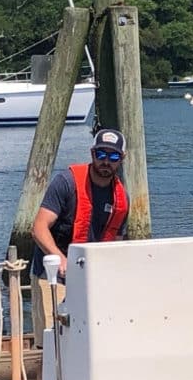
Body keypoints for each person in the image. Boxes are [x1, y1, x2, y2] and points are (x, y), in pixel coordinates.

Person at [29, 128, 130, 339]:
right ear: (93, 154)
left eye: (113, 156)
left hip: (90, 279)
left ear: (122, 159)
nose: (106, 162)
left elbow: (116, 246)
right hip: (53, 277)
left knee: (88, 339)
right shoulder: (66, 183)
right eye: (101, 154)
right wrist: (60, 259)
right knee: (52, 340)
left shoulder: (121, 199)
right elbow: (38, 228)